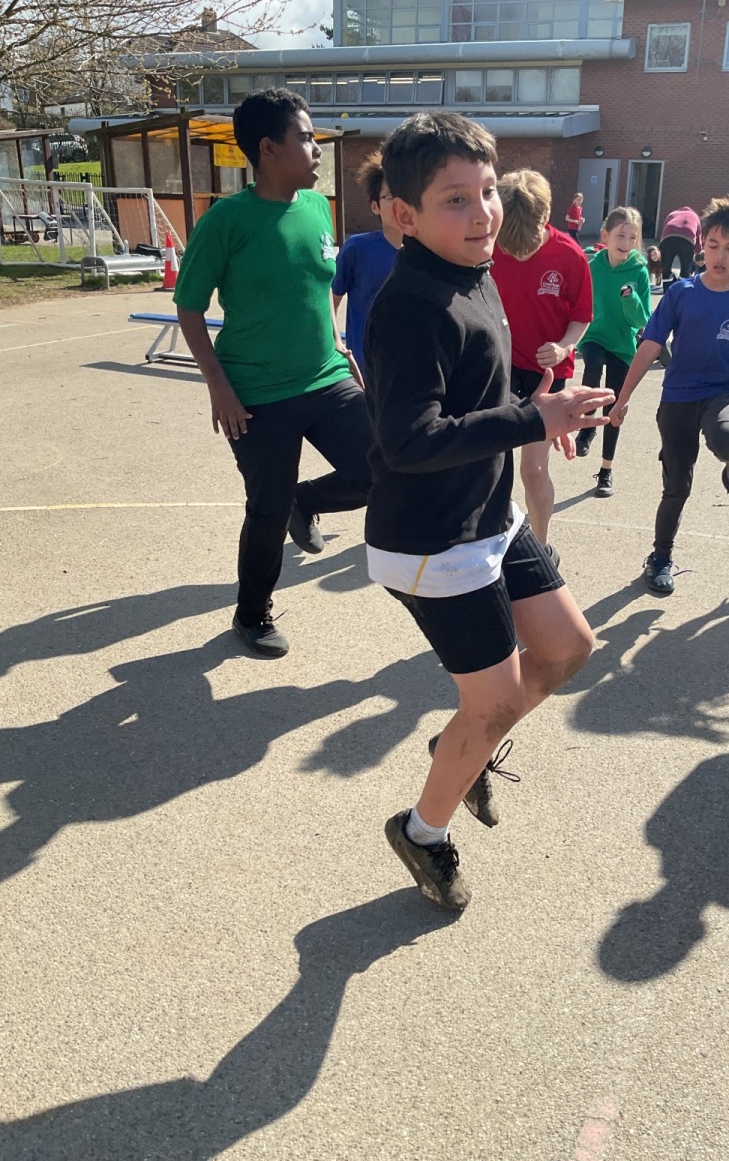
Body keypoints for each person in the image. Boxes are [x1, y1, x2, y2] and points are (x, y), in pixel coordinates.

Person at [363, 111, 612, 912]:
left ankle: (459, 747)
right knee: (497, 700)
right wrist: (530, 420)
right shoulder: (411, 306)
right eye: (456, 200)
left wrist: (539, 412)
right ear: (404, 215)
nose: (483, 214)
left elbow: (476, 392)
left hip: (487, 516)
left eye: (489, 191)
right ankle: (422, 832)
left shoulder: (474, 269)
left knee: (568, 648)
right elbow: (409, 440)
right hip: (430, 543)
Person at [174, 89, 371, 658]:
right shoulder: (226, 220)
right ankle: (252, 614)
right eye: (305, 138)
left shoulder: (317, 208)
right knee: (265, 507)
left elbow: (318, 286)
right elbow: (189, 307)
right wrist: (219, 388)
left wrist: (338, 344)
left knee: (381, 466)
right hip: (255, 393)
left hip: (326, 377)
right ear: (267, 148)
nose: (316, 148)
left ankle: (303, 501)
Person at [607, 197, 729, 596]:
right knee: (676, 487)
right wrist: (623, 397)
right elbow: (650, 346)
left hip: (722, 391)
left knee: (728, 438)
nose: (720, 256)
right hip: (678, 397)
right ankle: (660, 557)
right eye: (714, 245)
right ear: (702, 246)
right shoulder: (681, 293)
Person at [491, 169, 593, 556]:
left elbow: (581, 317)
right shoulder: (487, 245)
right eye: (510, 247)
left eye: (526, 248)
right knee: (489, 466)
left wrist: (565, 347)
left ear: (546, 218)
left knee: (532, 470)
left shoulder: (570, 255)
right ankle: (490, 542)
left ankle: (542, 550)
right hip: (497, 366)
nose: (517, 255)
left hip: (545, 374)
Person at [574, 206, 652, 499]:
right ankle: (587, 426)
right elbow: (576, 299)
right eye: (621, 235)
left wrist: (630, 300)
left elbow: (641, 321)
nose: (627, 242)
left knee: (615, 409)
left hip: (622, 344)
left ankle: (606, 470)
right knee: (592, 365)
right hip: (594, 336)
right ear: (605, 235)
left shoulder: (639, 272)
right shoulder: (592, 266)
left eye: (633, 237)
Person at [331, 151, 402, 379]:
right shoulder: (357, 249)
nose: (399, 204)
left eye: (405, 195)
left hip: (410, 368)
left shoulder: (427, 251)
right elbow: (330, 298)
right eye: (390, 197)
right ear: (375, 206)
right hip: (365, 368)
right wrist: (335, 343)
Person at [659, 205, 703, 288]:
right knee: (685, 269)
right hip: (687, 239)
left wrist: (661, 247)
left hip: (668, 238)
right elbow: (699, 236)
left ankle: (667, 289)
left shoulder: (672, 214)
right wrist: (698, 250)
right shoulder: (695, 216)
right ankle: (682, 288)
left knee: (666, 268)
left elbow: (664, 228)